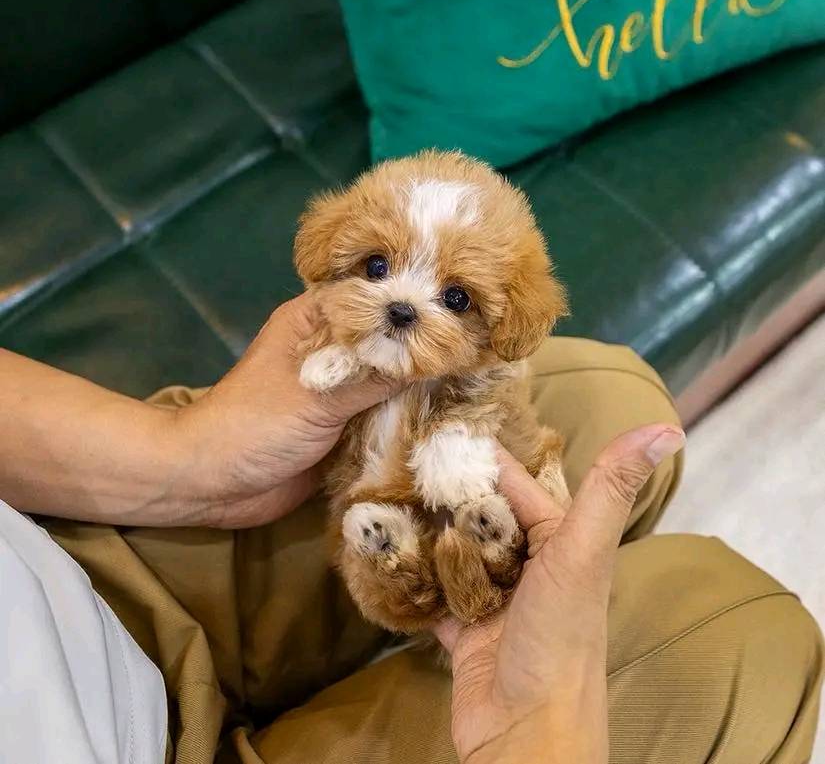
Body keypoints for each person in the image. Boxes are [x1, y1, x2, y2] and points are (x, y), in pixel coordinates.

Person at [0, 294, 821, 764]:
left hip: (70, 563)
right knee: (739, 638)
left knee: (607, 392)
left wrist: (183, 458)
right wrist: (533, 734)